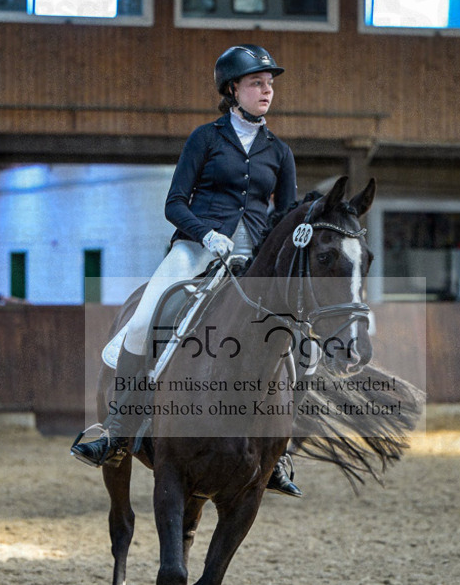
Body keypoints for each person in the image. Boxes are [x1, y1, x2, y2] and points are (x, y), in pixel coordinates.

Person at [71, 44, 302, 497]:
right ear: (233, 88)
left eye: (270, 83)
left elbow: (286, 215)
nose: (267, 89)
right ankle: (118, 429)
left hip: (252, 258)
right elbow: (174, 202)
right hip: (197, 249)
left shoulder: (280, 151)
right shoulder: (206, 138)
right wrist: (204, 233)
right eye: (257, 82)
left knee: (288, 340)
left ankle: (278, 450)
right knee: (144, 319)